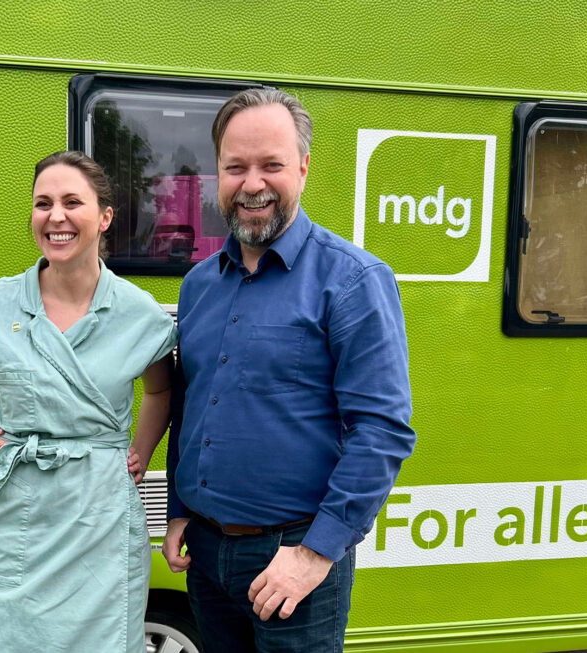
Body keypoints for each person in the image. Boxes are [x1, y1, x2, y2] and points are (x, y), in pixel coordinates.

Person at [162, 88, 416, 652]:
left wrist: (314, 554)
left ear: (302, 167)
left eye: (271, 165)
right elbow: (190, 405)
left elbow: (382, 430)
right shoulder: (200, 284)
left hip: (292, 558)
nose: (252, 184)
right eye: (235, 167)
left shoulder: (353, 280)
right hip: (206, 554)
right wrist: (180, 511)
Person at [0, 151, 177, 653]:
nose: (56, 216)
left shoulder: (139, 314)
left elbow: (161, 389)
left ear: (104, 217)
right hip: (12, 513)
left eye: (72, 202)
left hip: (100, 514)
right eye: (43, 203)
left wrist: (140, 449)